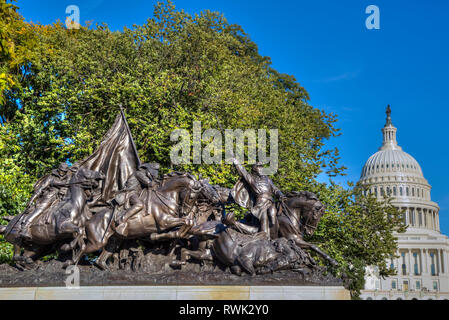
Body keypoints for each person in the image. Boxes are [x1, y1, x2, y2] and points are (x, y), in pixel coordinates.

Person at [231, 158, 285, 238]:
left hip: (271, 202)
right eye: (259, 167)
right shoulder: (252, 178)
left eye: (262, 167)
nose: (262, 169)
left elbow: (275, 189)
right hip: (260, 204)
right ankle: (263, 233)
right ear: (255, 169)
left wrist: (280, 195)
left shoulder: (268, 179)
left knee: (275, 212)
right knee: (264, 218)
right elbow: (243, 171)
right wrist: (236, 162)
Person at [19, 162, 74, 240]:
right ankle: (25, 226)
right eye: (61, 171)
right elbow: (41, 188)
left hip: (63, 197)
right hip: (50, 197)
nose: (62, 173)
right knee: (41, 209)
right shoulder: (51, 177)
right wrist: (32, 199)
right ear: (58, 169)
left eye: (64, 171)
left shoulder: (69, 177)